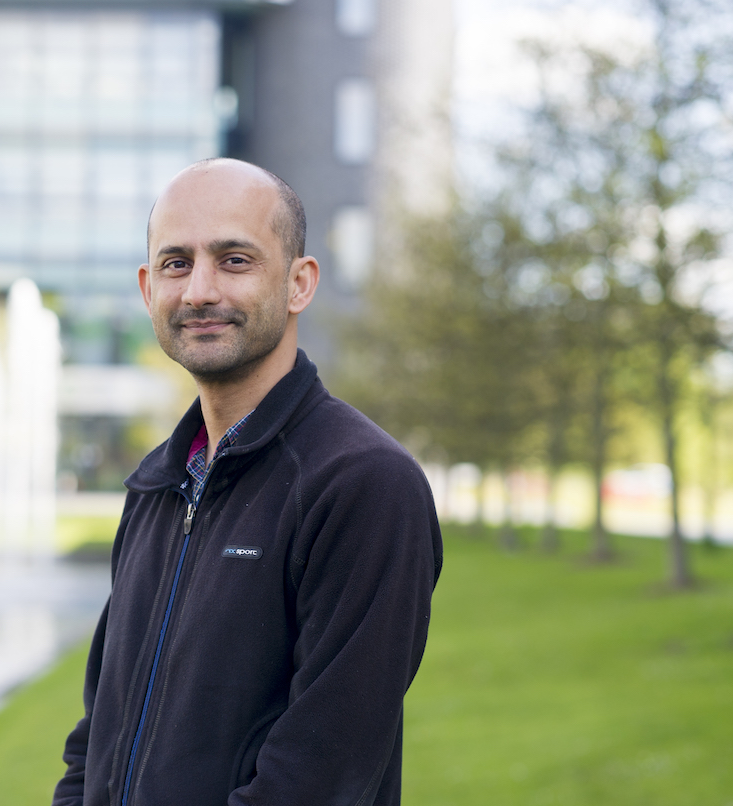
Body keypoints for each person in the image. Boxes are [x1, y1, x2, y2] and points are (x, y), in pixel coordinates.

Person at [53, 158, 443, 806]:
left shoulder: (364, 485)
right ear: (148, 288)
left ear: (298, 283)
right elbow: (96, 742)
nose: (199, 291)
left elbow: (318, 776)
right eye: (176, 263)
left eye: (234, 260)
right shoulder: (156, 486)